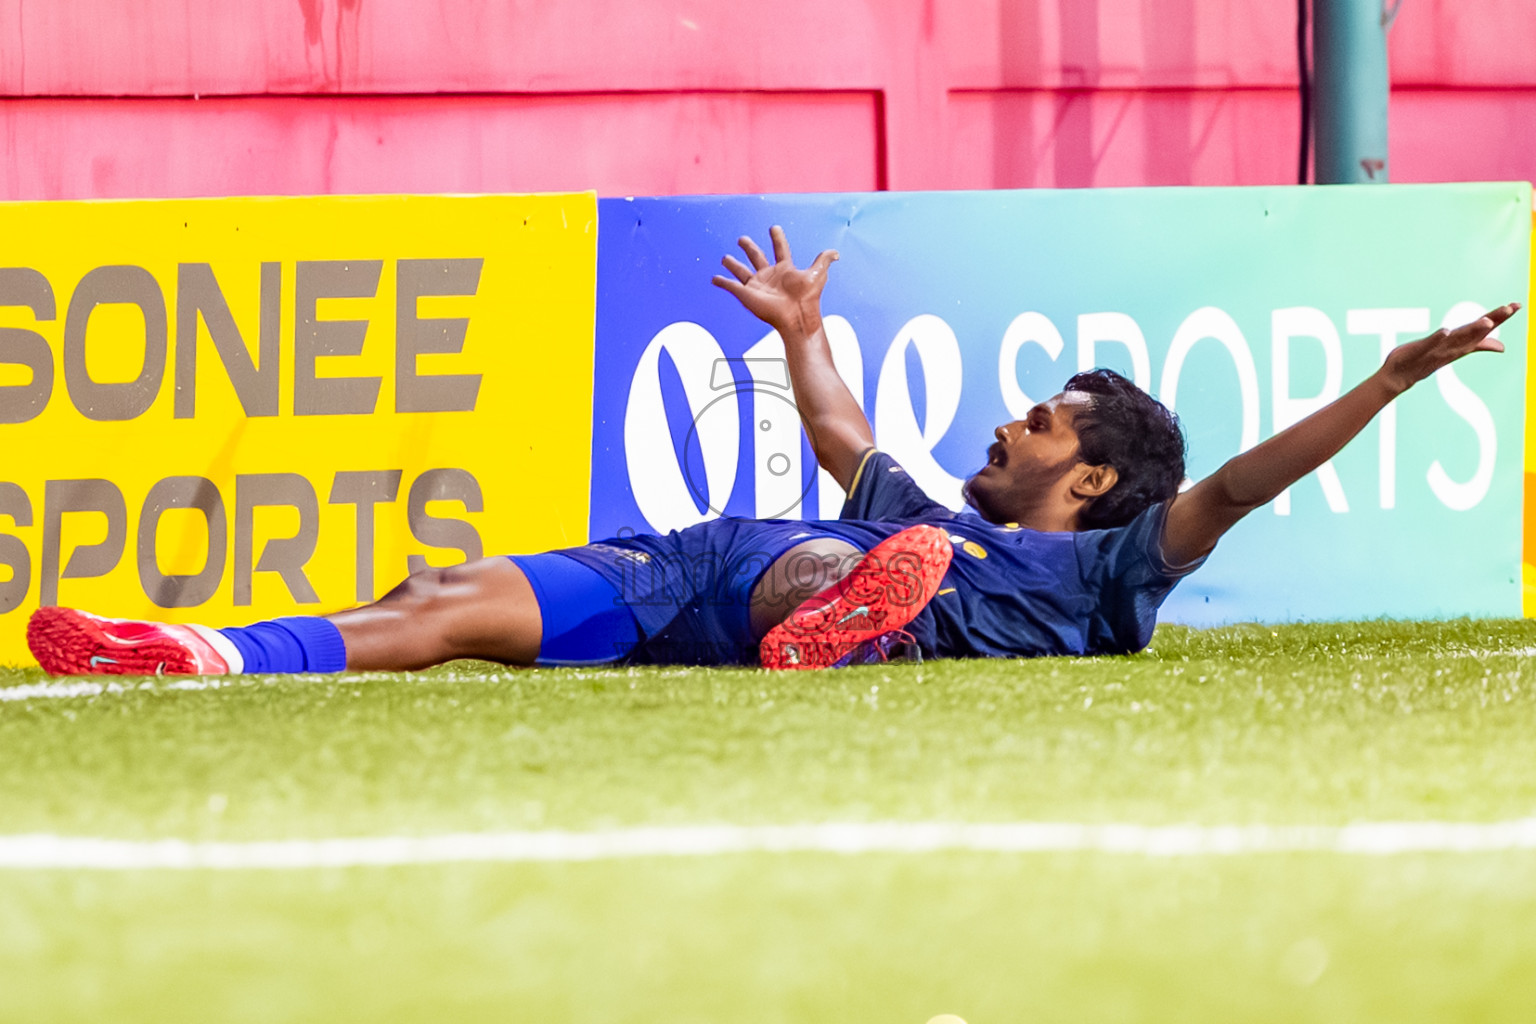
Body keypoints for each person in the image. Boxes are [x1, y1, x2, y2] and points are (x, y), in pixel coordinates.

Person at [25, 227, 1520, 676]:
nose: (1010, 420)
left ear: (1093, 482)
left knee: (847, 558)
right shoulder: (924, 502)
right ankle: (206, 652)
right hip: (690, 576)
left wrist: (1389, 380)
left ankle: (860, 623)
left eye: (1042, 421)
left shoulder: (1113, 571)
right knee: (444, 599)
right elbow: (840, 428)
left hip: (814, 583)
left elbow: (1243, 484)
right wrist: (803, 330)